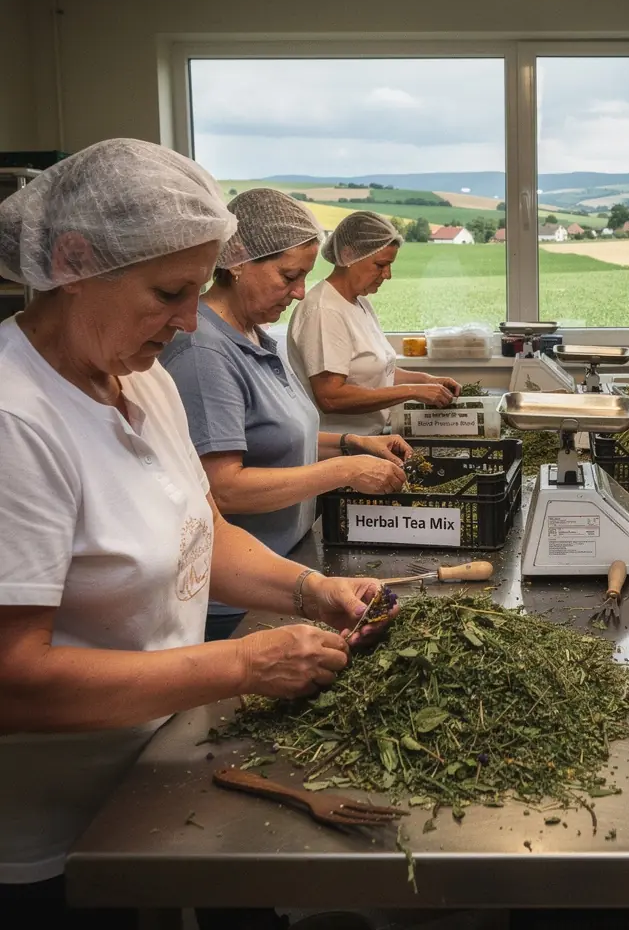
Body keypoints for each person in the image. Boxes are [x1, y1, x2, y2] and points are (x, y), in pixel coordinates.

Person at [0, 140, 391, 919]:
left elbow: (201, 533)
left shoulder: (141, 380)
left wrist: (309, 589)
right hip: (51, 835)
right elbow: (13, 680)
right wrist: (242, 663)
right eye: (170, 291)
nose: (188, 323)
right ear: (74, 261)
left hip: (151, 776)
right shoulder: (16, 419)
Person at [162, 188, 412, 643]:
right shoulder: (204, 353)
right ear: (237, 261)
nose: (299, 293)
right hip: (234, 601)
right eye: (289, 276)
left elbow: (270, 434)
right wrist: (342, 470)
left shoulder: (255, 337)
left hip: (287, 562)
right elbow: (226, 488)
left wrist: (355, 443)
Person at [288, 211, 461, 435]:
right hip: (339, 449)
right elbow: (331, 397)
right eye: (381, 265)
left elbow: (378, 371)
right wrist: (412, 391)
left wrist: (427, 380)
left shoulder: (359, 302)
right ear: (349, 255)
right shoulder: (324, 311)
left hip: (371, 440)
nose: (387, 274)